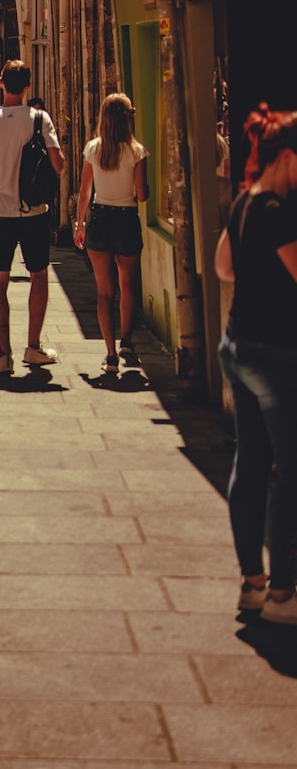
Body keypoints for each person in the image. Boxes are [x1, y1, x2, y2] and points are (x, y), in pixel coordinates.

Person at [213, 104, 297, 624]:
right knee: (289, 470)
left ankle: (252, 584)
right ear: (287, 156)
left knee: (249, 463)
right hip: (274, 350)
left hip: (237, 346)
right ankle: (284, 596)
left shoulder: (245, 203)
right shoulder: (277, 211)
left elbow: (225, 267)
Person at [0, 59, 65, 373]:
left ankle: (3, 354)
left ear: (1, 83)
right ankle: (33, 347)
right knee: (38, 276)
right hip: (33, 212)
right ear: (27, 86)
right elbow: (58, 165)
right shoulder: (39, 119)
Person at [74, 93, 149, 375]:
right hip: (126, 218)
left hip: (101, 218)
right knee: (128, 285)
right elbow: (142, 196)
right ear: (127, 117)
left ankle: (109, 354)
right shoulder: (137, 151)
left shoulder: (93, 149)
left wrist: (80, 225)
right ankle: (126, 343)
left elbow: (85, 192)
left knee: (104, 292)